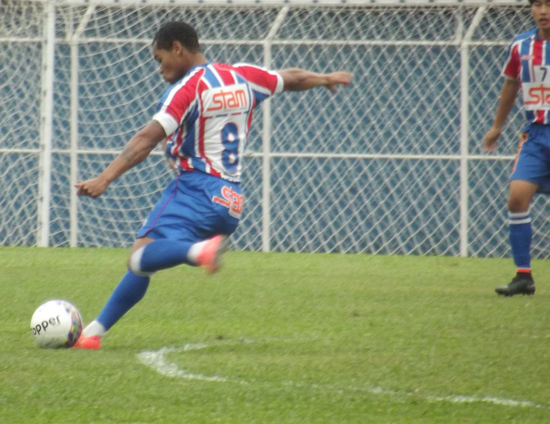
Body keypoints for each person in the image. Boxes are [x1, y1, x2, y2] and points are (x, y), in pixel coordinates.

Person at [72, 21, 352, 349]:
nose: (159, 68)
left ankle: (199, 252)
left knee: (141, 255)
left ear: (178, 48)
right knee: (149, 255)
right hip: (230, 201)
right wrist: (324, 79)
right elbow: (290, 78)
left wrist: (103, 179)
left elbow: (145, 139)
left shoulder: (188, 89)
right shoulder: (244, 76)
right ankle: (93, 333)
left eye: (160, 58)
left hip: (196, 189)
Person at [484, 0, 550, 297]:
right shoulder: (521, 46)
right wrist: (497, 127)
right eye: (538, 5)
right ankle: (523, 276)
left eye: (549, 4)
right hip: (535, 136)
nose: (543, 11)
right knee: (516, 198)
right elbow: (510, 84)